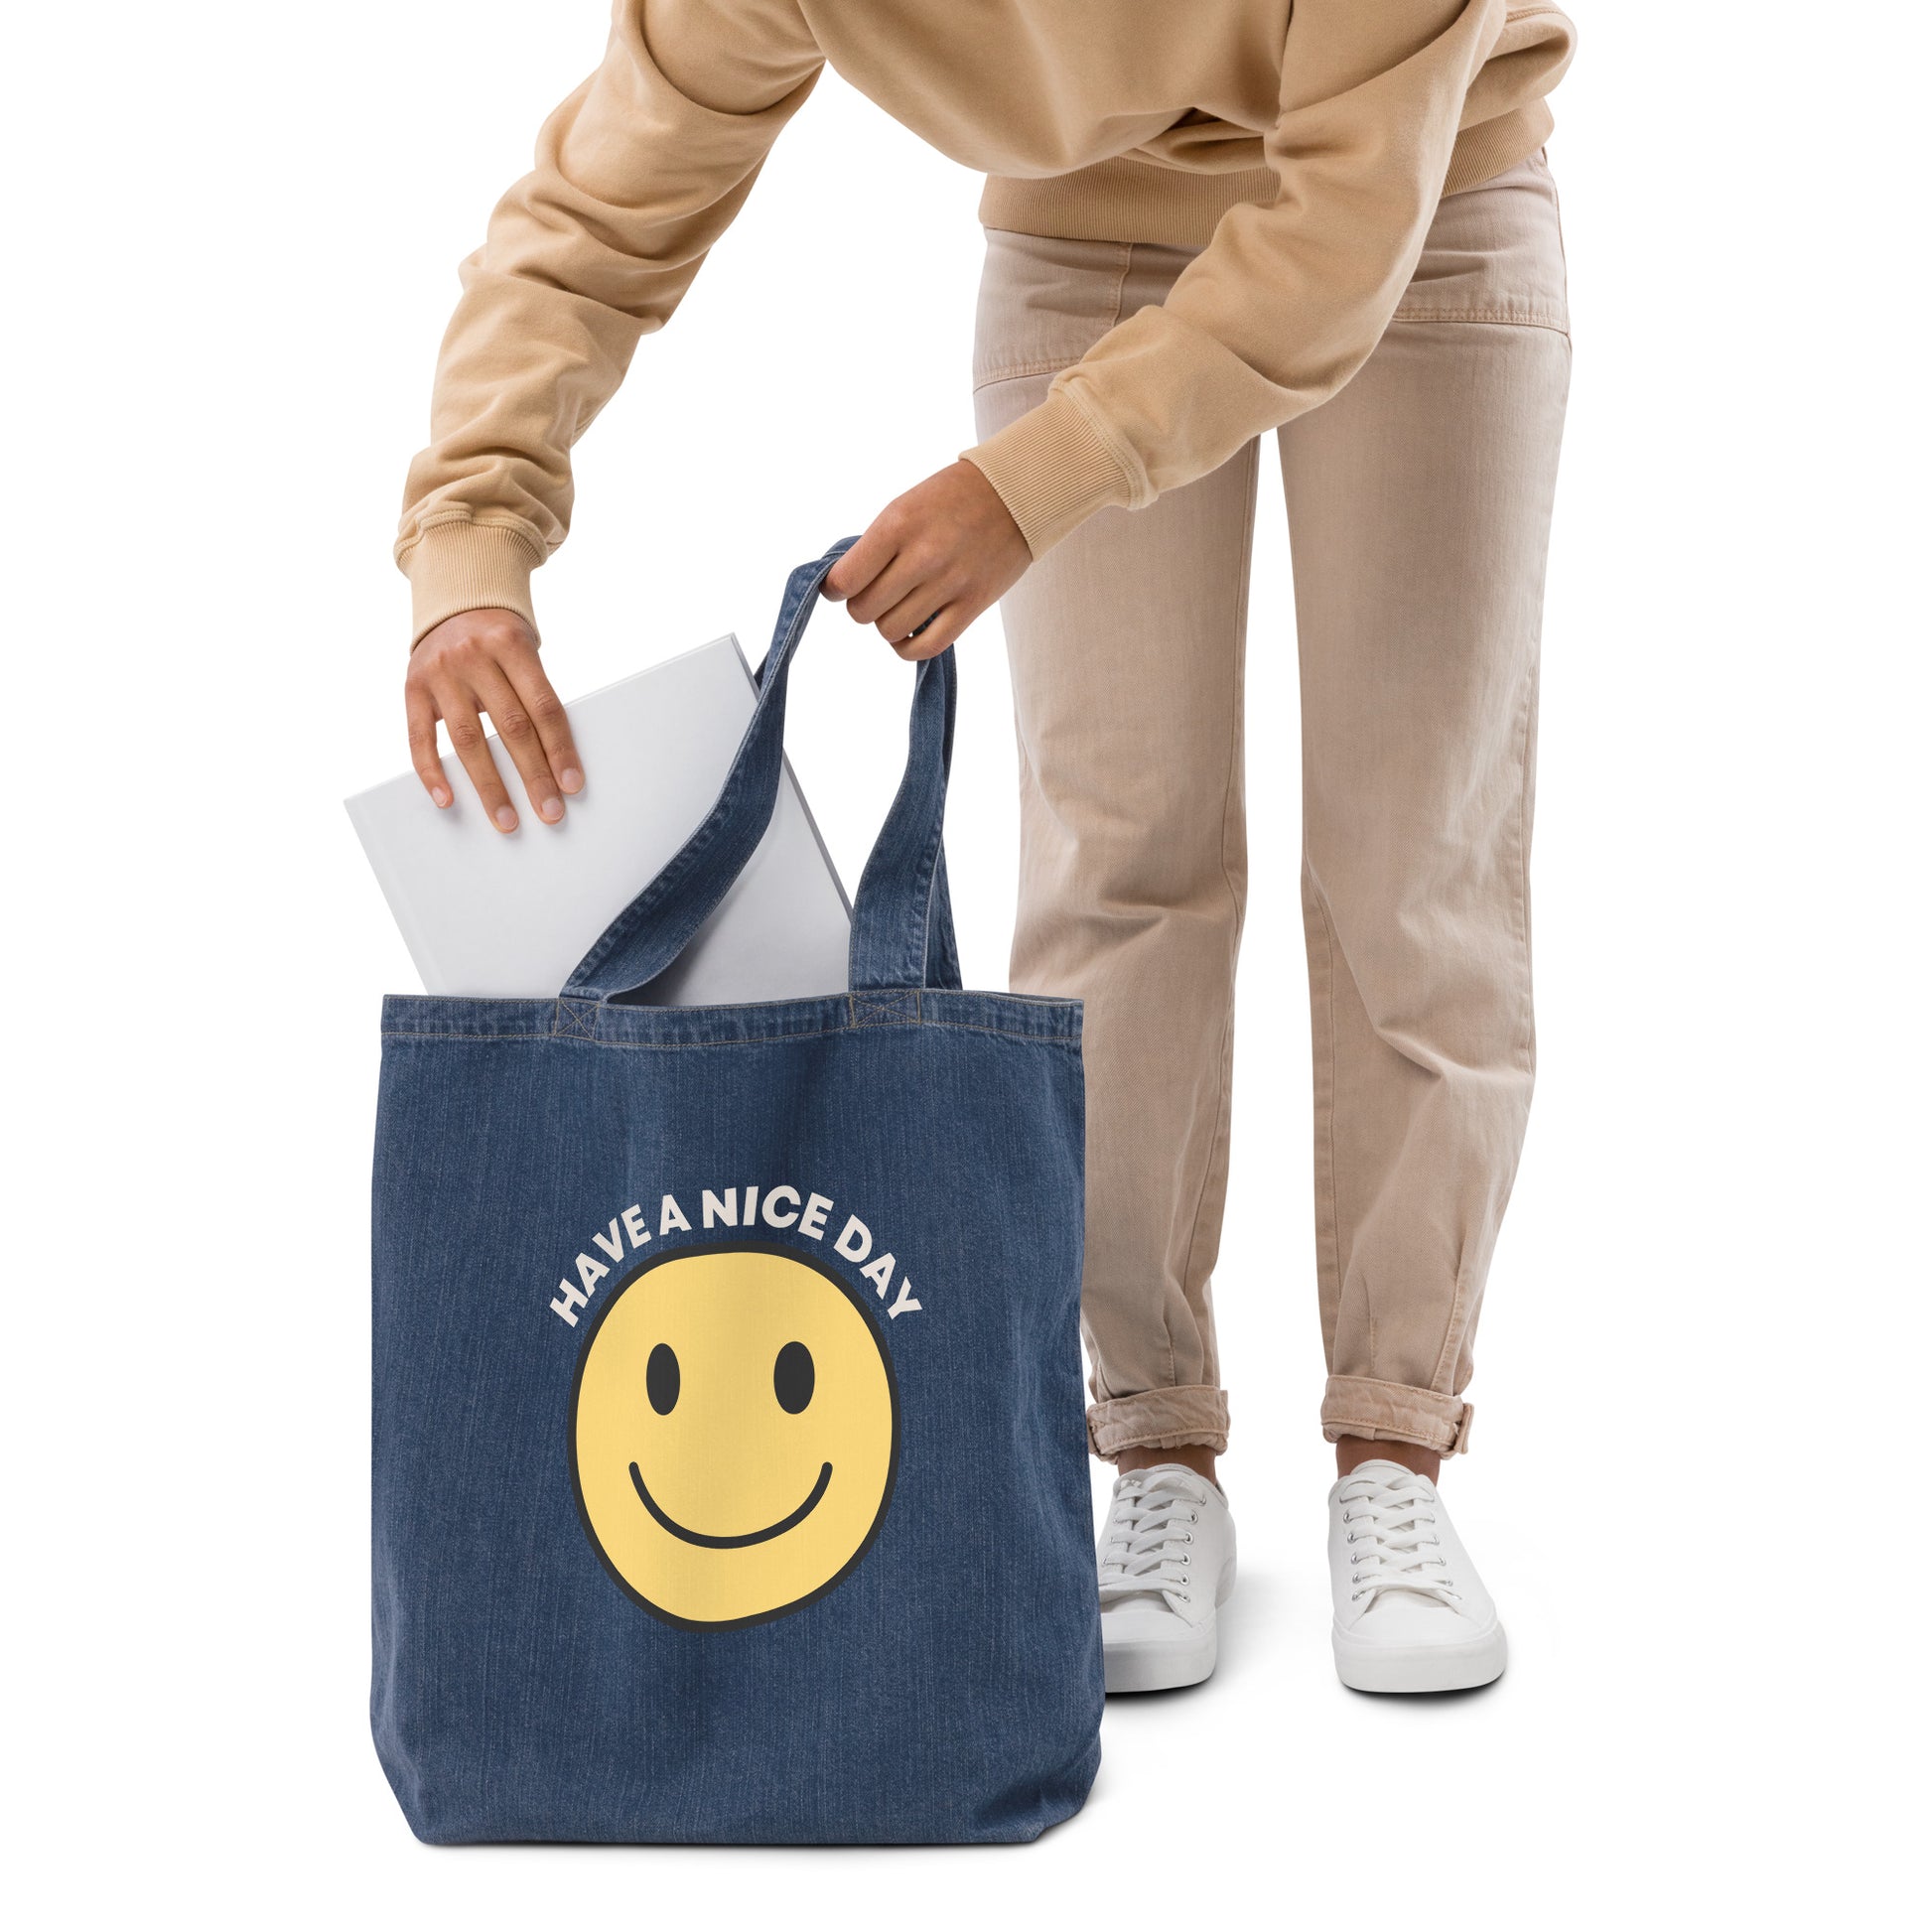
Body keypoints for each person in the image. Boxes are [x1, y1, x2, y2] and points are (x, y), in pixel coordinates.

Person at [396, 0, 1576, 1697]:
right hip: (1083, 238)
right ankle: (1152, 1451)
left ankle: (1392, 1451)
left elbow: (1333, 229)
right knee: (1120, 864)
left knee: (1415, 860)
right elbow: (601, 211)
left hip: (1423, 203)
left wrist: (1034, 481)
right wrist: (471, 534)